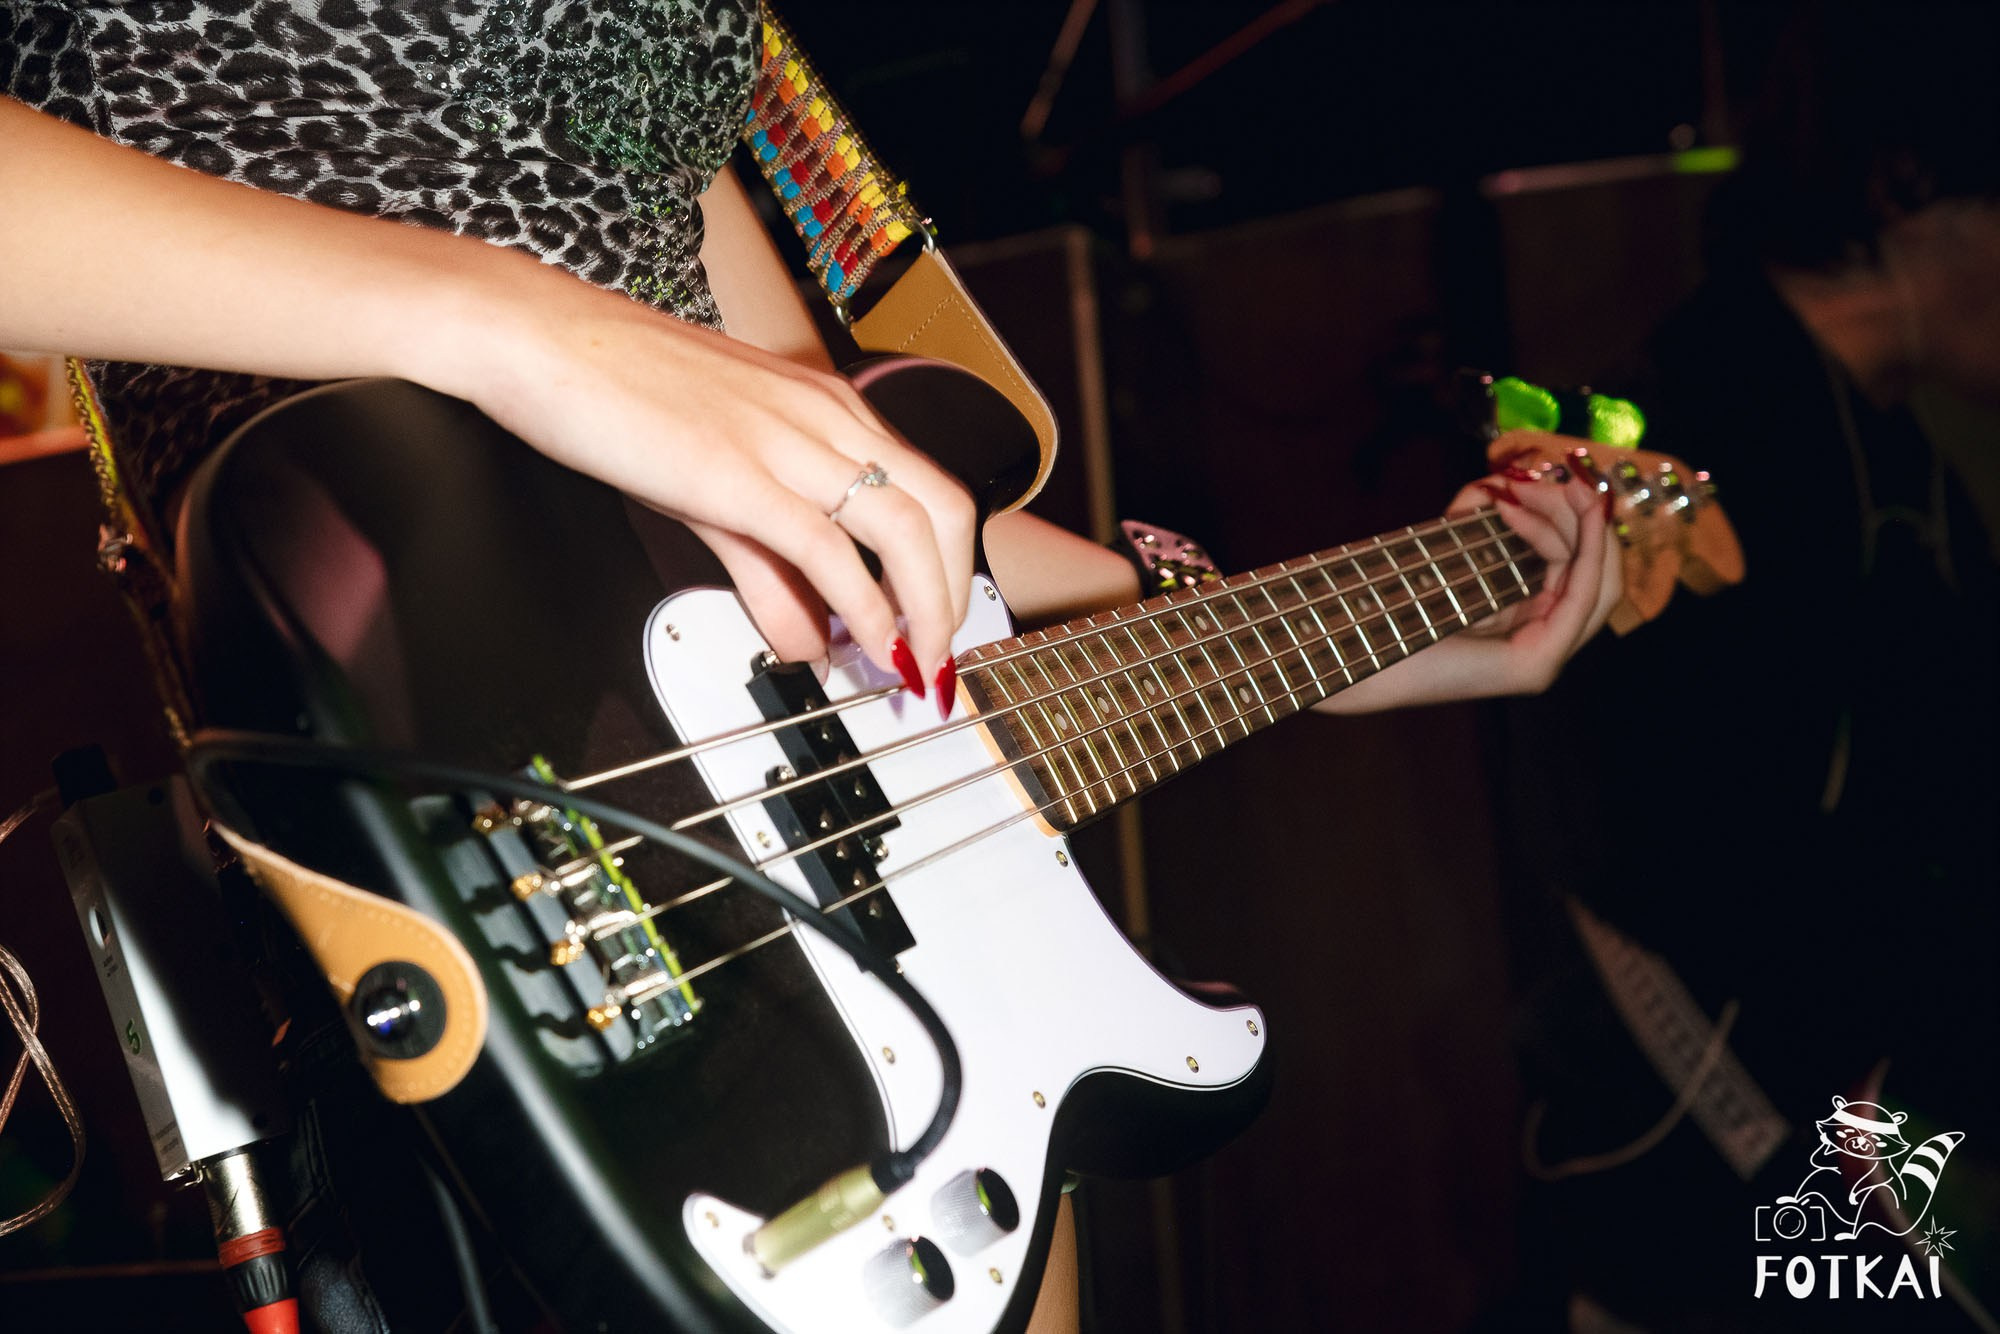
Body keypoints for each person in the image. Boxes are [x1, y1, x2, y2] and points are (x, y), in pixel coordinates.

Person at [1, 2, 1619, 1328]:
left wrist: (1290, 628)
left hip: (840, 936)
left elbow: (839, 469)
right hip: (448, 770)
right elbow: (607, 344)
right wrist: (512, 325)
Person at [1494, 6, 2000, 1328]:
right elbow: (1654, 843)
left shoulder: (1909, 462)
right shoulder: (1698, 416)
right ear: (1910, 186)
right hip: (1717, 1177)